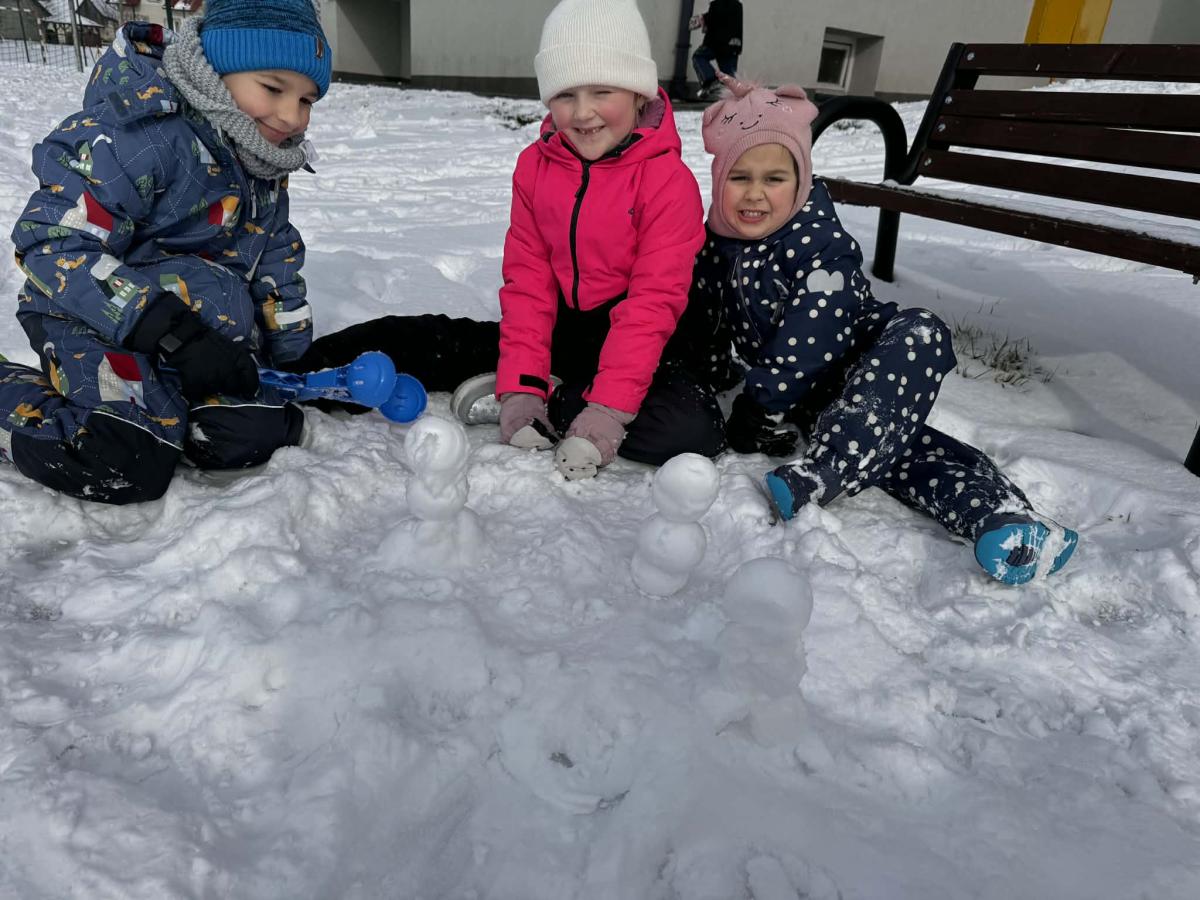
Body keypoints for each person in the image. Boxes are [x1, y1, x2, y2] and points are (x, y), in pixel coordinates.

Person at [296, 0, 726, 481]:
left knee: (692, 430)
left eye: (602, 91)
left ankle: (564, 397)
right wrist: (522, 386)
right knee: (441, 344)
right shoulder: (536, 168)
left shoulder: (668, 183)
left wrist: (606, 410)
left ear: (638, 93)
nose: (583, 112)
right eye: (565, 94)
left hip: (649, 343)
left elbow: (652, 305)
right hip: (566, 330)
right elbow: (529, 284)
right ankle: (309, 370)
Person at [686, 75, 1079, 585]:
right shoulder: (717, 249)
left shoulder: (818, 244)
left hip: (874, 363)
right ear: (719, 180)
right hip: (821, 400)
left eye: (774, 178)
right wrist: (711, 375)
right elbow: (706, 318)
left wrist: (760, 405)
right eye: (739, 177)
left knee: (921, 332)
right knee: (899, 451)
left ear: (801, 181)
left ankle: (827, 471)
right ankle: (998, 518)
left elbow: (814, 331)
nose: (755, 194)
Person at [0, 0, 331, 504]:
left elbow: (273, 252)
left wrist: (292, 353)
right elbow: (51, 242)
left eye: (307, 99)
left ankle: (173, 406)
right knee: (124, 457)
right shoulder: (138, 135)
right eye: (272, 88)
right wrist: (166, 329)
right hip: (92, 318)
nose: (292, 116)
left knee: (252, 432)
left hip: (198, 334)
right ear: (213, 69)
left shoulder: (260, 157)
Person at [690, 0, 743, 100]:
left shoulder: (717, 4)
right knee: (729, 78)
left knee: (698, 56)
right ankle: (735, 100)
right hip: (734, 44)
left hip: (716, 43)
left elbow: (715, 19)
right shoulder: (738, 5)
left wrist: (703, 19)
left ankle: (711, 81)